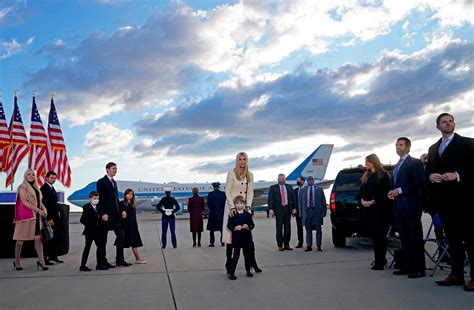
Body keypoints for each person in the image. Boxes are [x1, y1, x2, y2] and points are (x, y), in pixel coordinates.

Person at [426, 113, 474, 291]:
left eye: (450, 121)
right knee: (452, 239)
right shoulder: (433, 149)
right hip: (444, 202)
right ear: (437, 126)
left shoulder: (468, 144)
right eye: (444, 122)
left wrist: (457, 175)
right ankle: (456, 274)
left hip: (465, 200)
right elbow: (428, 170)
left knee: (470, 239)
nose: (448, 123)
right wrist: (431, 176)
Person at [388, 137, 426, 279]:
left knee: (414, 237)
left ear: (408, 147)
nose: (397, 147)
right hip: (398, 207)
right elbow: (395, 184)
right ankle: (408, 265)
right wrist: (392, 191)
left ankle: (419, 268)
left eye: (400, 145)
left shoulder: (415, 163)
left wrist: (400, 190)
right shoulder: (397, 165)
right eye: (396, 144)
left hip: (411, 206)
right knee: (404, 238)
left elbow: (419, 183)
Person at [224, 152, 261, 274]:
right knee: (231, 239)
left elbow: (250, 192)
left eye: (244, 159)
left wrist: (248, 206)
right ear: (237, 160)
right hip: (232, 208)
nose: (242, 161)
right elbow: (228, 190)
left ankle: (252, 264)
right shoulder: (232, 173)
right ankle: (229, 264)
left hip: (244, 208)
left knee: (248, 239)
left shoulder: (249, 175)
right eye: (240, 159)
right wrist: (231, 206)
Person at [356, 154, 392, 270]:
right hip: (369, 211)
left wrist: (373, 201)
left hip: (380, 211)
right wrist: (362, 201)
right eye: (366, 162)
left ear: (374, 162)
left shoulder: (383, 176)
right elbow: (361, 192)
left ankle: (381, 261)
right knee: (375, 237)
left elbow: (385, 193)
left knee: (381, 237)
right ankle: (379, 259)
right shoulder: (366, 176)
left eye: (368, 162)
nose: (366, 164)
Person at [12, 169, 49, 271]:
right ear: (25, 176)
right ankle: (17, 261)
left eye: (33, 174)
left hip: (36, 218)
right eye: (29, 174)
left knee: (38, 239)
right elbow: (25, 202)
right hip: (26, 217)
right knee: (20, 240)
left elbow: (39, 201)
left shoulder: (36, 188)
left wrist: (44, 208)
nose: (31, 176)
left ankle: (42, 262)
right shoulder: (22, 188)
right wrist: (38, 210)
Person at [96, 162, 130, 268]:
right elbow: (99, 199)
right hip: (106, 215)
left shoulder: (114, 183)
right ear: (107, 169)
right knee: (103, 240)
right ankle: (101, 263)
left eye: (116, 168)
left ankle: (120, 260)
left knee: (121, 236)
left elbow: (116, 199)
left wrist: (122, 210)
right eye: (113, 168)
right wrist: (102, 213)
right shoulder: (101, 182)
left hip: (115, 215)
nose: (115, 170)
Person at [227, 195, 255, 280]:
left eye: (241, 203)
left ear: (244, 204)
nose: (239, 204)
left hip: (247, 238)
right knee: (236, 256)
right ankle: (231, 273)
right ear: (234, 204)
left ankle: (248, 271)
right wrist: (235, 227)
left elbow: (252, 224)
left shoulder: (248, 214)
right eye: (237, 203)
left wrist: (248, 226)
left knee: (247, 255)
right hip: (237, 238)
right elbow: (229, 225)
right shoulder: (232, 214)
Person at [268, 173, 296, 251]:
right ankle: (280, 245)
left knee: (288, 228)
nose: (282, 180)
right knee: (279, 228)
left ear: (285, 179)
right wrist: (270, 209)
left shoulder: (289, 187)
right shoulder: (273, 188)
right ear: (278, 179)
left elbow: (293, 199)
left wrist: (294, 208)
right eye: (281, 179)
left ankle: (286, 244)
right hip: (279, 210)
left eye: (283, 179)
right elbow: (270, 199)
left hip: (287, 209)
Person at [298, 175, 327, 252]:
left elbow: (323, 202)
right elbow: (300, 203)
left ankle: (319, 245)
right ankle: (309, 245)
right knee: (308, 229)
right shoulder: (303, 190)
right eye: (309, 179)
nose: (310, 180)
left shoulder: (320, 189)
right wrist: (301, 214)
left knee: (318, 229)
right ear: (307, 181)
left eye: (311, 179)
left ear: (313, 180)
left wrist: (324, 212)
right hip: (307, 212)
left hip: (317, 212)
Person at [40, 171, 63, 265]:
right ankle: (44, 259)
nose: (53, 180)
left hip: (55, 217)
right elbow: (45, 204)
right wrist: (48, 218)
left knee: (55, 238)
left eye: (54, 178)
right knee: (47, 239)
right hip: (49, 217)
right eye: (51, 178)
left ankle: (53, 256)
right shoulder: (44, 189)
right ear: (46, 178)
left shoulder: (52, 188)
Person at [121, 189, 146, 264]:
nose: (130, 195)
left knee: (134, 243)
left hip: (133, 226)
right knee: (122, 243)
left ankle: (137, 259)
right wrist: (123, 212)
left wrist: (136, 226)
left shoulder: (133, 204)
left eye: (131, 194)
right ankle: (118, 258)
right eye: (128, 194)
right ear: (125, 195)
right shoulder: (122, 203)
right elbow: (122, 212)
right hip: (126, 227)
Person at [79, 191, 102, 271]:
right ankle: (83, 265)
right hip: (89, 232)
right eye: (94, 198)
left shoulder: (98, 207)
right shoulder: (87, 207)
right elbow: (82, 220)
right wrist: (92, 224)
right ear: (90, 199)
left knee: (100, 247)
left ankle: (99, 264)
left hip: (97, 231)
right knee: (87, 247)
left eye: (97, 198)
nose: (96, 200)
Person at [206, 182, 226, 247]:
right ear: (219, 186)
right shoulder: (223, 194)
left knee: (212, 229)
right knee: (221, 229)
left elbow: (209, 204)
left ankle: (212, 243)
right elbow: (225, 204)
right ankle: (222, 242)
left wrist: (213, 210)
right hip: (221, 213)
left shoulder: (210, 194)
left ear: (213, 187)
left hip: (213, 213)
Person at [293, 176, 305, 248]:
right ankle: (300, 243)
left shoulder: (306, 190)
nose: (297, 182)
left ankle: (309, 243)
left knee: (308, 228)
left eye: (299, 181)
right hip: (298, 213)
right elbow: (294, 202)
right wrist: (294, 210)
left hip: (306, 212)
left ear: (303, 181)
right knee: (299, 228)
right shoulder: (295, 191)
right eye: (297, 181)